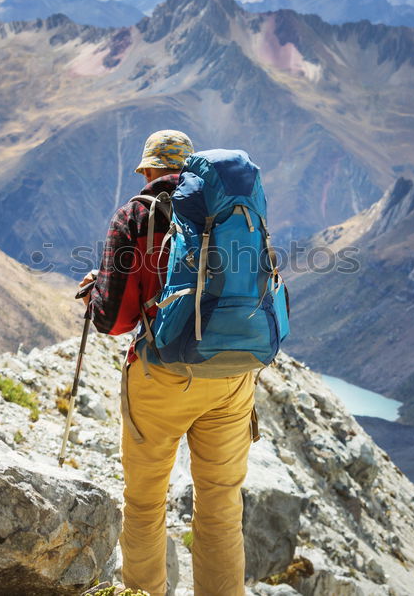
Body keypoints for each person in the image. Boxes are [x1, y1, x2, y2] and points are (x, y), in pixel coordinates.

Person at [79, 130, 256, 596]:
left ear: (151, 170)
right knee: (220, 507)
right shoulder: (228, 208)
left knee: (144, 506)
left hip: (165, 376)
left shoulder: (137, 216)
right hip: (234, 375)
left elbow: (113, 321)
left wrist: (98, 291)